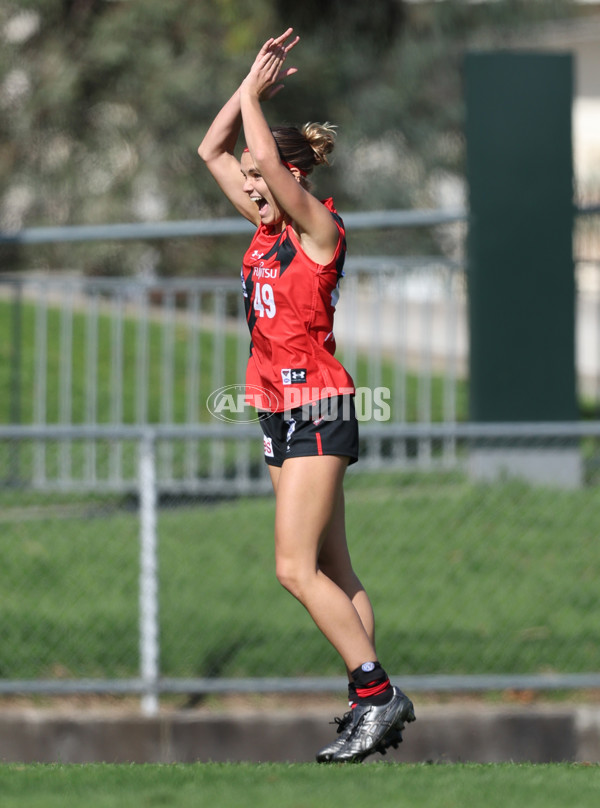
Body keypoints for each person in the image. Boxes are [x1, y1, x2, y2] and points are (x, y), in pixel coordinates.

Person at [198, 27, 415, 763]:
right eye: (254, 183)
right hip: (275, 410)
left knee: (293, 569)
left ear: (293, 176)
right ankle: (366, 704)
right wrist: (245, 89)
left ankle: (375, 695)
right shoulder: (262, 230)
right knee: (334, 569)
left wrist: (256, 101)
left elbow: (256, 155)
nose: (253, 187)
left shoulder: (318, 230)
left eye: (267, 179)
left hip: (318, 404)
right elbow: (212, 152)